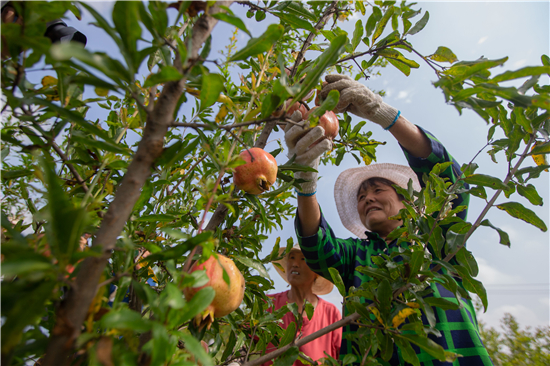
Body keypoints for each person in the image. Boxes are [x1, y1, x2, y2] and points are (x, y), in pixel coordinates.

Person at [284, 74, 493, 365]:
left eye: (377, 190)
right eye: (360, 197)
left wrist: (383, 113)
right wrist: (305, 178)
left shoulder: (436, 237)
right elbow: (317, 246)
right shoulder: (355, 255)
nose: (367, 198)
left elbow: (449, 181)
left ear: (406, 200)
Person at [263, 245, 342, 366]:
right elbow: (244, 343)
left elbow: (341, 358)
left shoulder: (330, 314)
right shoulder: (269, 304)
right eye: (292, 257)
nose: (295, 264)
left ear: (316, 272)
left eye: (303, 259)